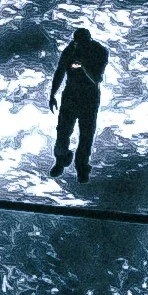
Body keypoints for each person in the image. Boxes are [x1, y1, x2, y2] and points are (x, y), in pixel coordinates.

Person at [48, 27, 108, 183]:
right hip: (70, 95)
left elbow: (96, 78)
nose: (79, 46)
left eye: (82, 43)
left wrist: (83, 65)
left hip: (89, 98)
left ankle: (82, 167)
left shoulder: (100, 51)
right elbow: (60, 71)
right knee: (62, 131)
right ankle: (61, 160)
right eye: (77, 43)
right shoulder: (70, 50)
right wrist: (52, 94)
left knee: (86, 135)